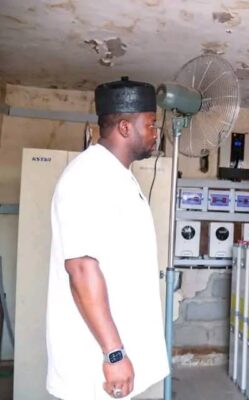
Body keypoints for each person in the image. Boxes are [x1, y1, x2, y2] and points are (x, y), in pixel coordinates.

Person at [46, 77, 169, 399]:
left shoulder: (118, 176)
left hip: (119, 351)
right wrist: (113, 354)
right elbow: (81, 269)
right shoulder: (88, 176)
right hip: (96, 362)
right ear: (125, 127)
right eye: (150, 124)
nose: (155, 133)